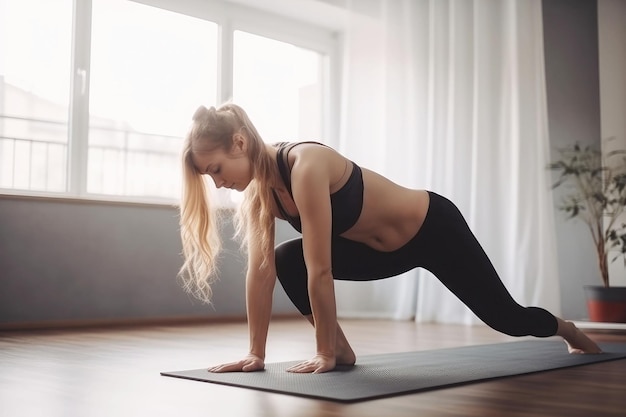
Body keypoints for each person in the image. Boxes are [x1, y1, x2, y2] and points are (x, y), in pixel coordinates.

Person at [178, 103, 602, 375]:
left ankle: (567, 329)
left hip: (433, 229)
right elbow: (261, 271)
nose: (217, 184)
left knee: (506, 318)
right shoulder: (261, 195)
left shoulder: (304, 164)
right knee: (285, 258)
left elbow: (321, 267)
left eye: (215, 169)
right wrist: (257, 354)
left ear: (238, 143)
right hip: (377, 253)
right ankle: (342, 351)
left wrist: (318, 351)